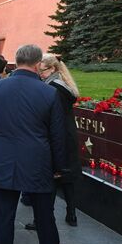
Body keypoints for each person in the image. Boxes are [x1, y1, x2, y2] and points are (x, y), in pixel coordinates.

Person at [0, 44, 76, 244]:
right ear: (38, 63)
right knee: (44, 214)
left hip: (3, 160)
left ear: (16, 61)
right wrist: (60, 166)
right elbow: (57, 135)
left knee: (4, 215)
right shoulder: (48, 92)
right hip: (38, 161)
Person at [32, 53, 81, 227]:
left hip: (56, 136)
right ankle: (71, 213)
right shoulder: (64, 84)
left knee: (50, 177)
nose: (39, 74)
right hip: (68, 135)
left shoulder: (52, 88)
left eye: (42, 70)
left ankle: (42, 219)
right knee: (67, 177)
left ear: (52, 69)